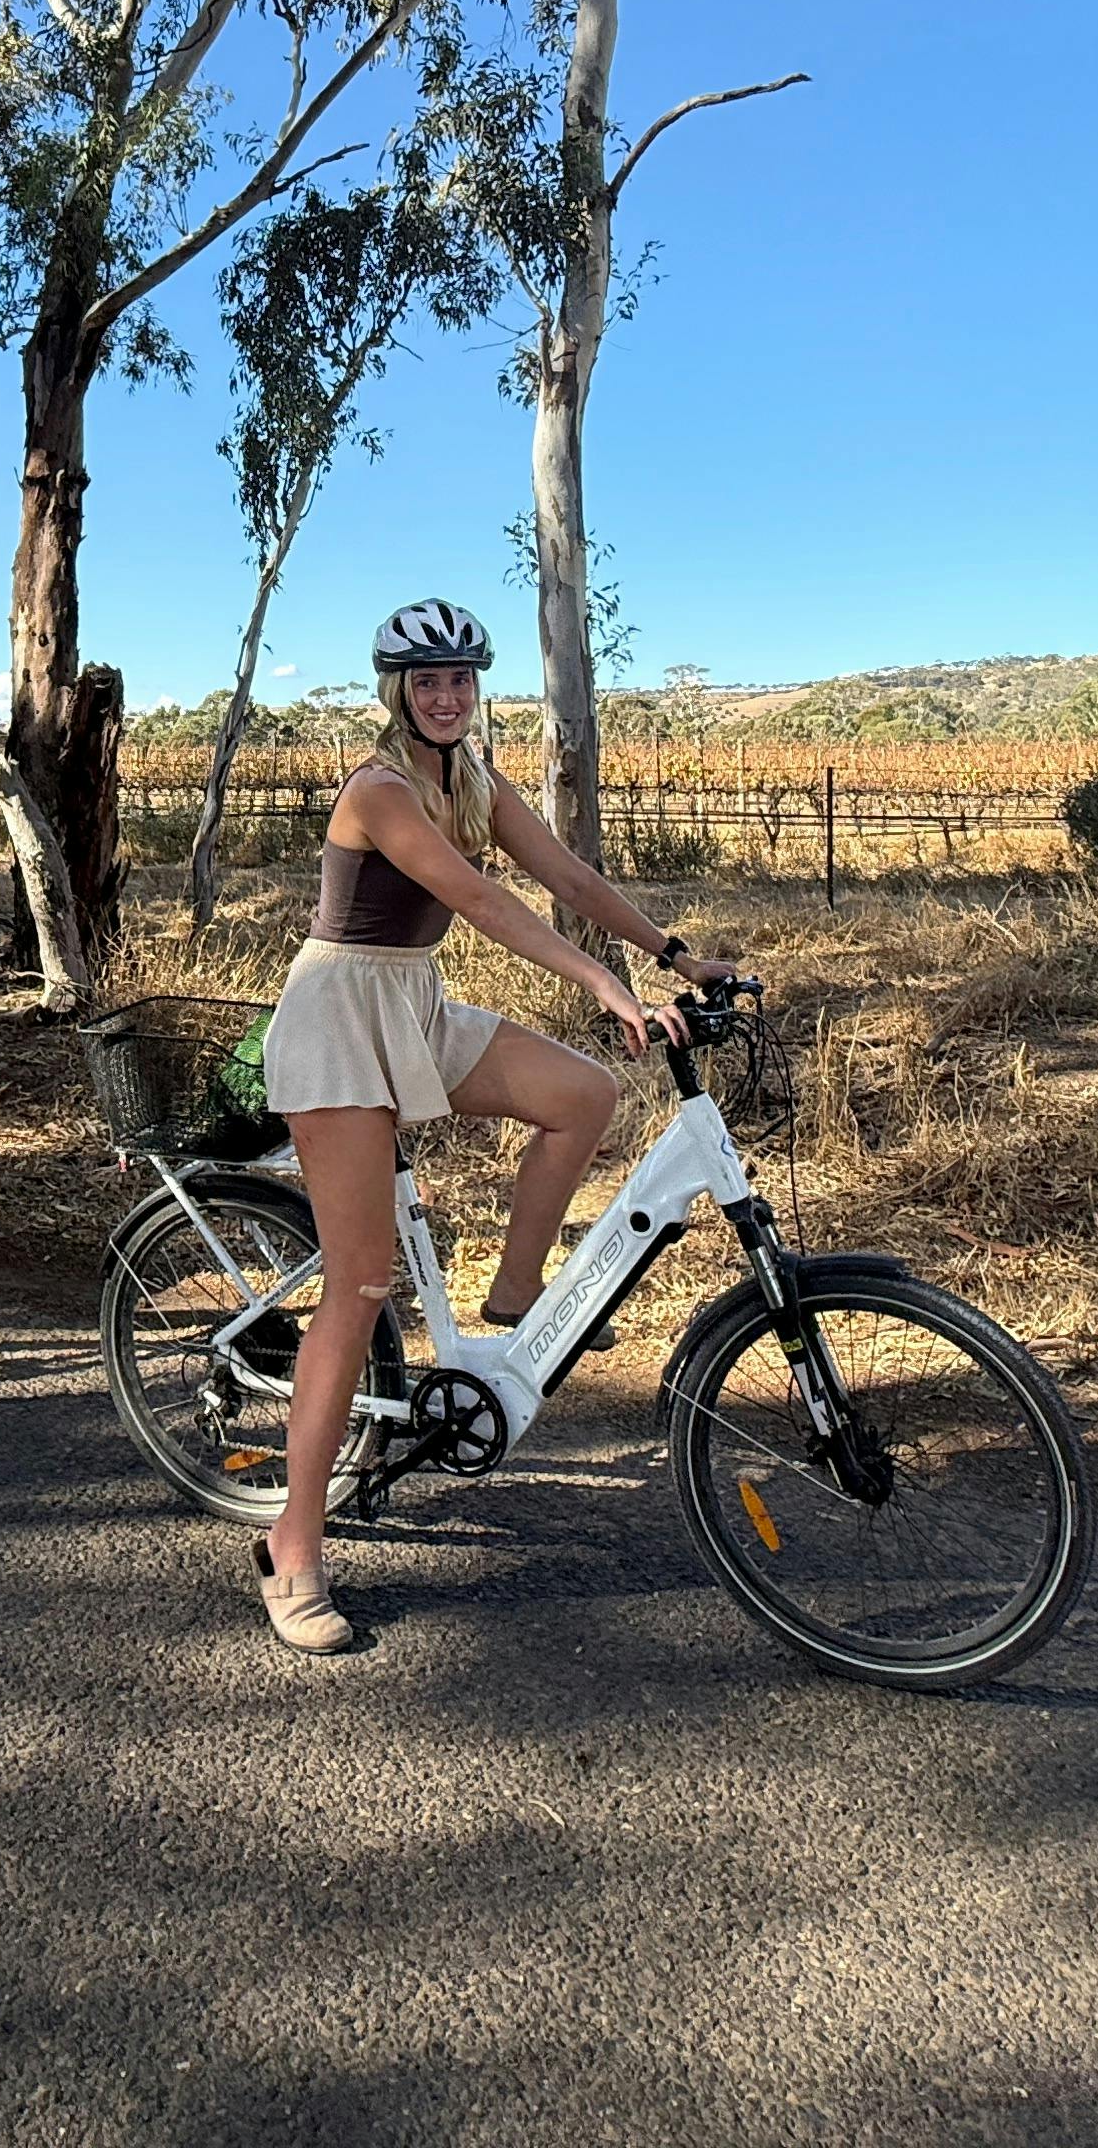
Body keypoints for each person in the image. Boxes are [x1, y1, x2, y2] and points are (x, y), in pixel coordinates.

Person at [247, 597, 742, 1653]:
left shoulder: (469, 776)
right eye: (427, 683)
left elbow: (563, 877)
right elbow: (479, 898)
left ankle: (514, 1302)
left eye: (461, 680)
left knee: (583, 1096)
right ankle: (294, 1549)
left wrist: (672, 955)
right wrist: (605, 990)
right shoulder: (379, 789)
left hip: (414, 1003)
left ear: (477, 688)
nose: (446, 696)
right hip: (341, 1019)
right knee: (360, 1285)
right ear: (397, 694)